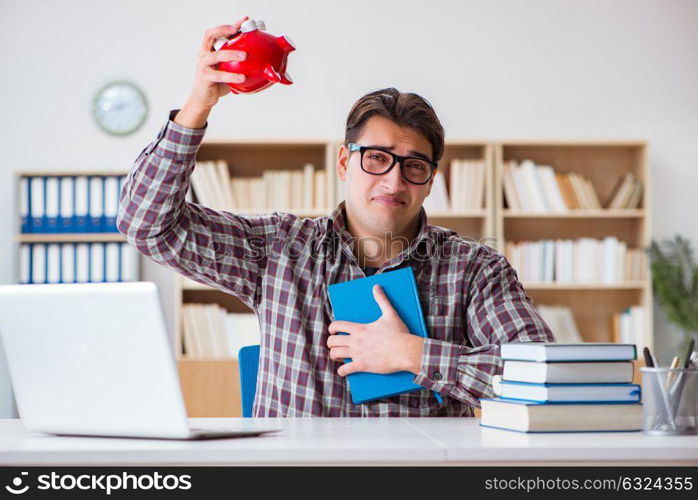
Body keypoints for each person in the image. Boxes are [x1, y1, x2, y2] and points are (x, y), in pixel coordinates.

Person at [117, 18, 554, 417]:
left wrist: (414, 354)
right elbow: (146, 223)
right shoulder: (278, 248)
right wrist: (198, 104)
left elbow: (546, 378)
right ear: (344, 162)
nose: (394, 182)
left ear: (431, 179)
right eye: (377, 158)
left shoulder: (475, 268)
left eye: (414, 166)